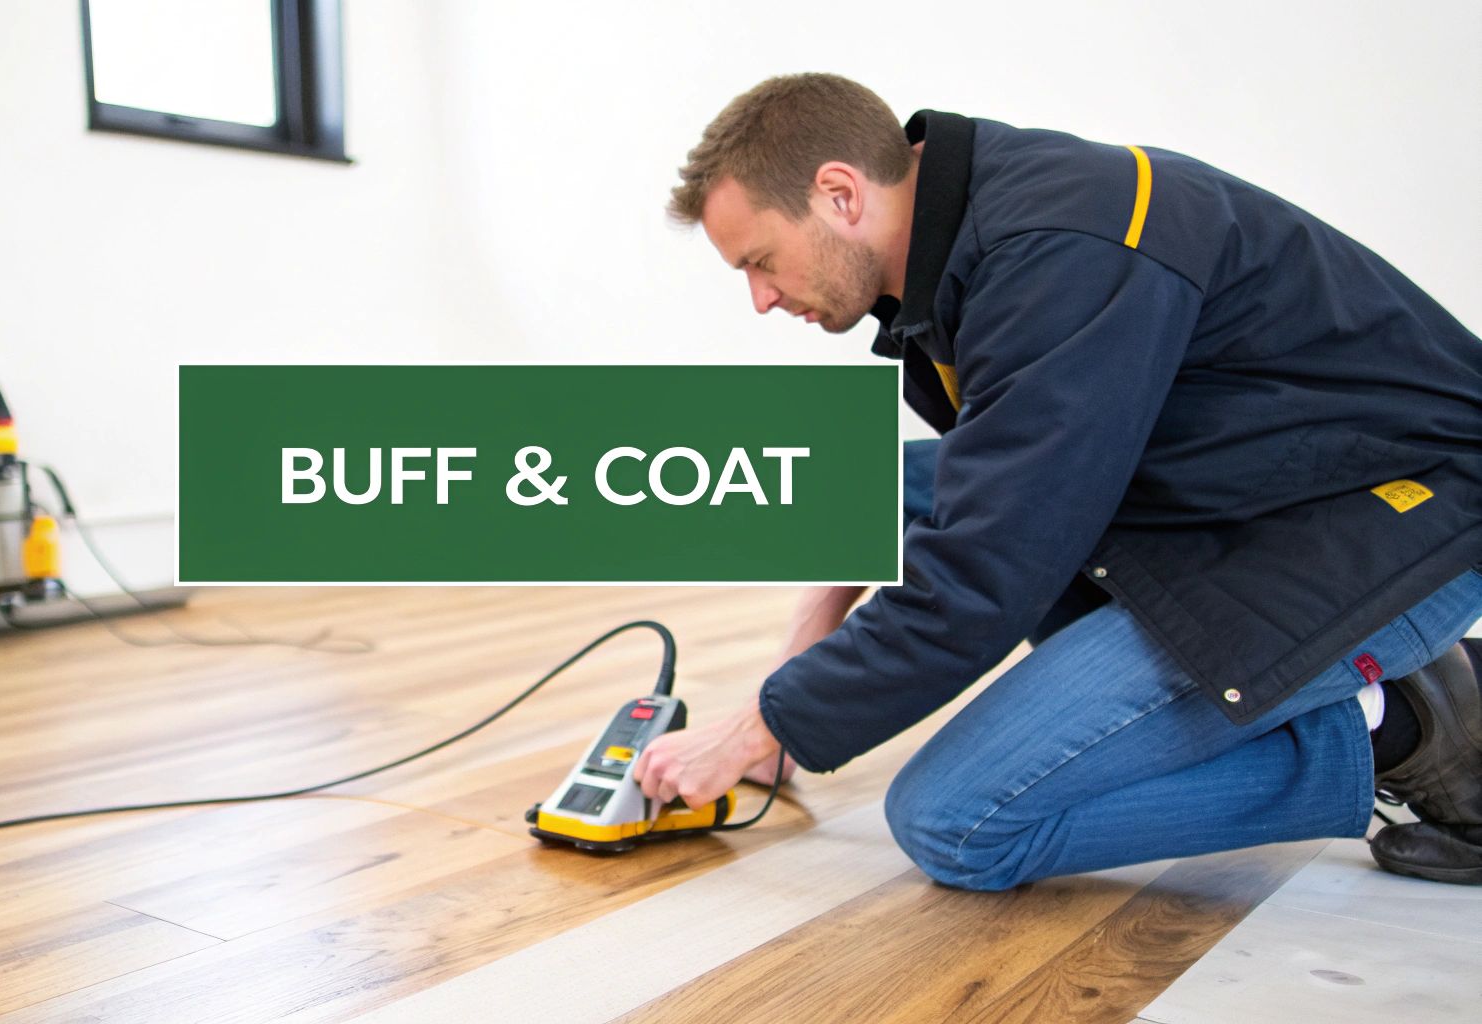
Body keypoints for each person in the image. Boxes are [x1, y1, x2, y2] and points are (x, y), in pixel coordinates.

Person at [632, 73, 1482, 888]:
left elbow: (984, 571)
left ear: (840, 193)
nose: (761, 298)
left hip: (1393, 524)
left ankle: (1402, 731)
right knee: (866, 474)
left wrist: (756, 731)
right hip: (1252, 492)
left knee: (956, 824)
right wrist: (790, 684)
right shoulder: (973, 234)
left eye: (761, 261)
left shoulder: (1059, 250)